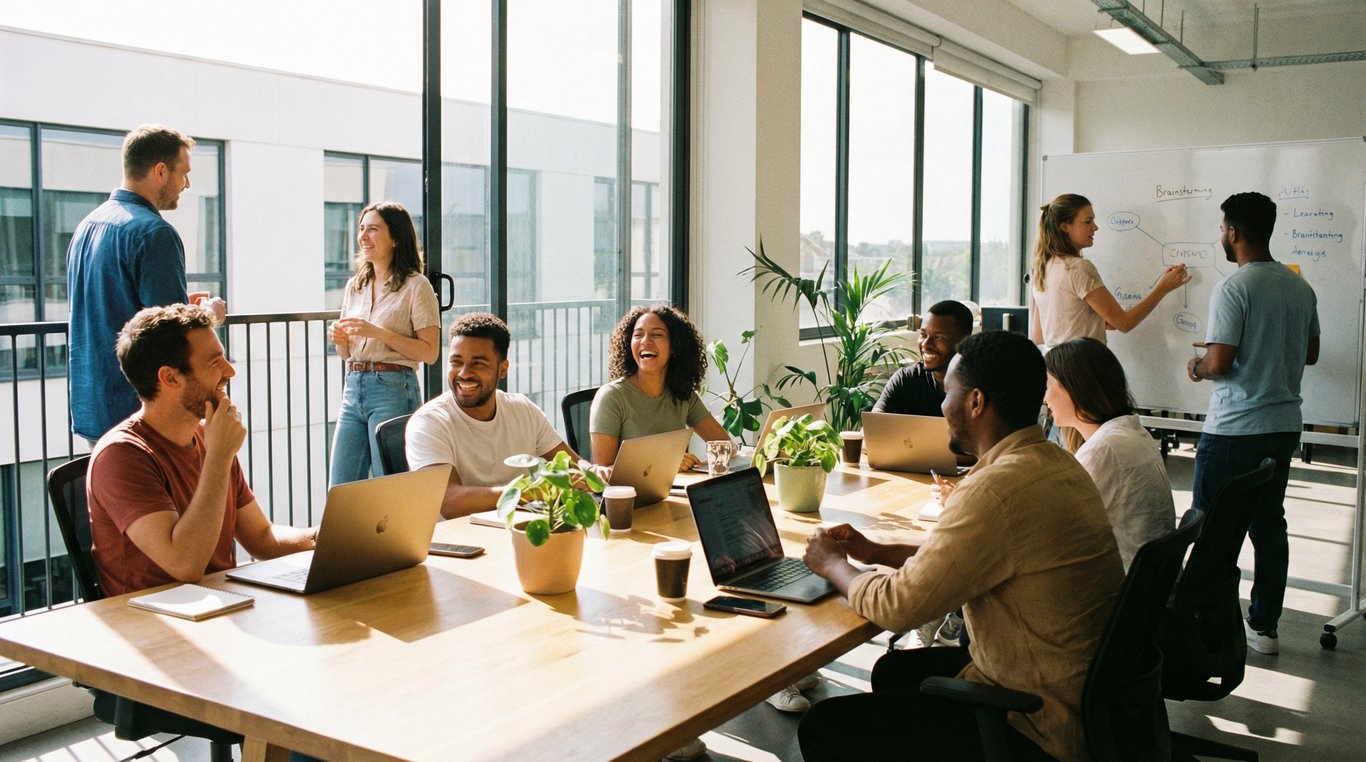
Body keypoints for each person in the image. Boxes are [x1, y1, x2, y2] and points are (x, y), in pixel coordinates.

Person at [799, 331, 1123, 761]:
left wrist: (834, 565)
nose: (941, 405)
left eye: (948, 392)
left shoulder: (995, 491)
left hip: (1036, 720)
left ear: (975, 402)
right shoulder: (1053, 463)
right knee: (898, 670)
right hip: (1081, 693)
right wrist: (875, 552)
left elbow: (898, 607)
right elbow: (965, 557)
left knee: (825, 727)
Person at [88, 304, 315, 597]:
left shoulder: (210, 438)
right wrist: (219, 457)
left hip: (222, 606)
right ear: (170, 377)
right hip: (155, 625)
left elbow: (262, 537)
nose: (230, 372)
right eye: (214, 362)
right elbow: (185, 565)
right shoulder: (121, 456)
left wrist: (324, 537)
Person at [1186, 192, 1319, 656]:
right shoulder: (1299, 287)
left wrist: (1198, 365)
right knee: (1268, 526)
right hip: (1283, 425)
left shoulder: (1234, 287)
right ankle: (1265, 627)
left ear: (1235, 232)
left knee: (1210, 529)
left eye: (1223, 228)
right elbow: (1311, 352)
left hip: (1234, 429)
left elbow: (1220, 363)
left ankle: (1204, 625)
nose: (1221, 235)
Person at [68, 124, 227, 445]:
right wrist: (209, 315)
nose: (187, 184)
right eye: (184, 173)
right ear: (160, 171)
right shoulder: (154, 233)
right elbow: (171, 333)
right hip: (142, 411)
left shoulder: (86, 227)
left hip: (92, 404)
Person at [406, 312, 604, 520]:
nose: (464, 373)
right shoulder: (428, 422)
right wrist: (527, 492)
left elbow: (571, 463)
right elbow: (448, 501)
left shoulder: (522, 409)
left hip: (517, 529)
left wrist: (592, 470)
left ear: (502, 369)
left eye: (478, 364)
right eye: (456, 362)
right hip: (458, 542)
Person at [329, 201, 440, 485]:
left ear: (395, 238)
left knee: (392, 486)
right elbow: (347, 352)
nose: (363, 237)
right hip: (353, 389)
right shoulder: (356, 285)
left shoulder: (417, 286)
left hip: (393, 388)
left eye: (373, 229)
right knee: (341, 487)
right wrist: (340, 341)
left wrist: (379, 332)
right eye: (361, 229)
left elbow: (429, 352)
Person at [1045, 337, 1176, 569]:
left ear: (1075, 387)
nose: (1044, 398)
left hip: (1121, 589)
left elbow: (1055, 527)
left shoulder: (1104, 449)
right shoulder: (1133, 433)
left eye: (1048, 386)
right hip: (1149, 584)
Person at [1029, 193, 1190, 349]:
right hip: (1083, 365)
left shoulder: (1042, 268)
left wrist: (1091, 320)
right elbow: (1124, 323)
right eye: (1088, 221)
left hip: (1055, 368)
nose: (1095, 227)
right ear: (1065, 227)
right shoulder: (1078, 268)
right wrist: (1163, 288)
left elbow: (1038, 335)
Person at [589, 305, 731, 472]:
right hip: (631, 496)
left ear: (674, 346)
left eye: (656, 335)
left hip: (674, 492)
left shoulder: (682, 394)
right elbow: (603, 472)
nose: (645, 341)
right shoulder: (611, 397)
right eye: (638, 335)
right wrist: (666, 462)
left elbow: (724, 445)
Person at [872, 299, 973, 416]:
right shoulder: (906, 379)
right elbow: (876, 424)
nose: (925, 344)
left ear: (965, 342)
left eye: (938, 337)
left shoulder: (982, 384)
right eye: (923, 334)